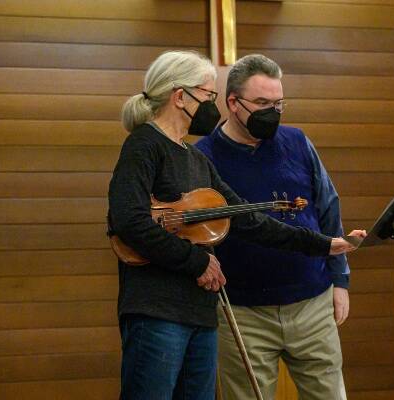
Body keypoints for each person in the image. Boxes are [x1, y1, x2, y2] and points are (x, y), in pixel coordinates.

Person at [107, 50, 364, 400]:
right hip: (157, 309)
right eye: (209, 97)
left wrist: (321, 244)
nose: (212, 108)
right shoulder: (144, 145)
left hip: (199, 311)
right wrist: (197, 260)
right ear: (180, 97)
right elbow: (128, 219)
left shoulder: (195, 158)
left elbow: (247, 218)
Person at [196, 54, 353, 400]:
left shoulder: (298, 142)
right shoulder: (202, 156)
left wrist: (340, 280)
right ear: (233, 103)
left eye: (279, 103)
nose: (274, 112)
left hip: (312, 301)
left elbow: (329, 209)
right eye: (263, 103)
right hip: (242, 313)